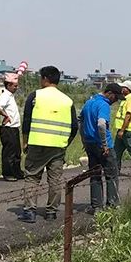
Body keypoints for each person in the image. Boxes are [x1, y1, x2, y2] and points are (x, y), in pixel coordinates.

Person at [18, 66, 78, 223]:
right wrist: (65, 142)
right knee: (55, 179)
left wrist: (25, 143)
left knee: (32, 177)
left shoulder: (35, 96)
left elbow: (26, 123)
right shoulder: (67, 100)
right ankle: (51, 212)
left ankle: (30, 211)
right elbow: (74, 127)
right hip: (58, 146)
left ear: (45, 79)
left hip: (36, 143)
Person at [80, 83, 126, 213]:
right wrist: (105, 144)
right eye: (115, 98)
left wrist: (84, 139)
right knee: (111, 175)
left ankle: (96, 206)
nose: (116, 101)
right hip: (103, 146)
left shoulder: (89, 102)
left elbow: (81, 121)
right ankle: (112, 205)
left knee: (95, 175)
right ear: (109, 93)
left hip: (90, 144)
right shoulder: (104, 105)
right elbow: (101, 124)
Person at [0, 73, 23, 181]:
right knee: (9, 152)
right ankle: (8, 173)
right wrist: (5, 115)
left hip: (14, 128)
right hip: (8, 128)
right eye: (15, 86)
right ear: (9, 85)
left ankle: (17, 171)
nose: (16, 88)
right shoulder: (5, 95)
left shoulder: (10, 96)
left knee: (16, 151)